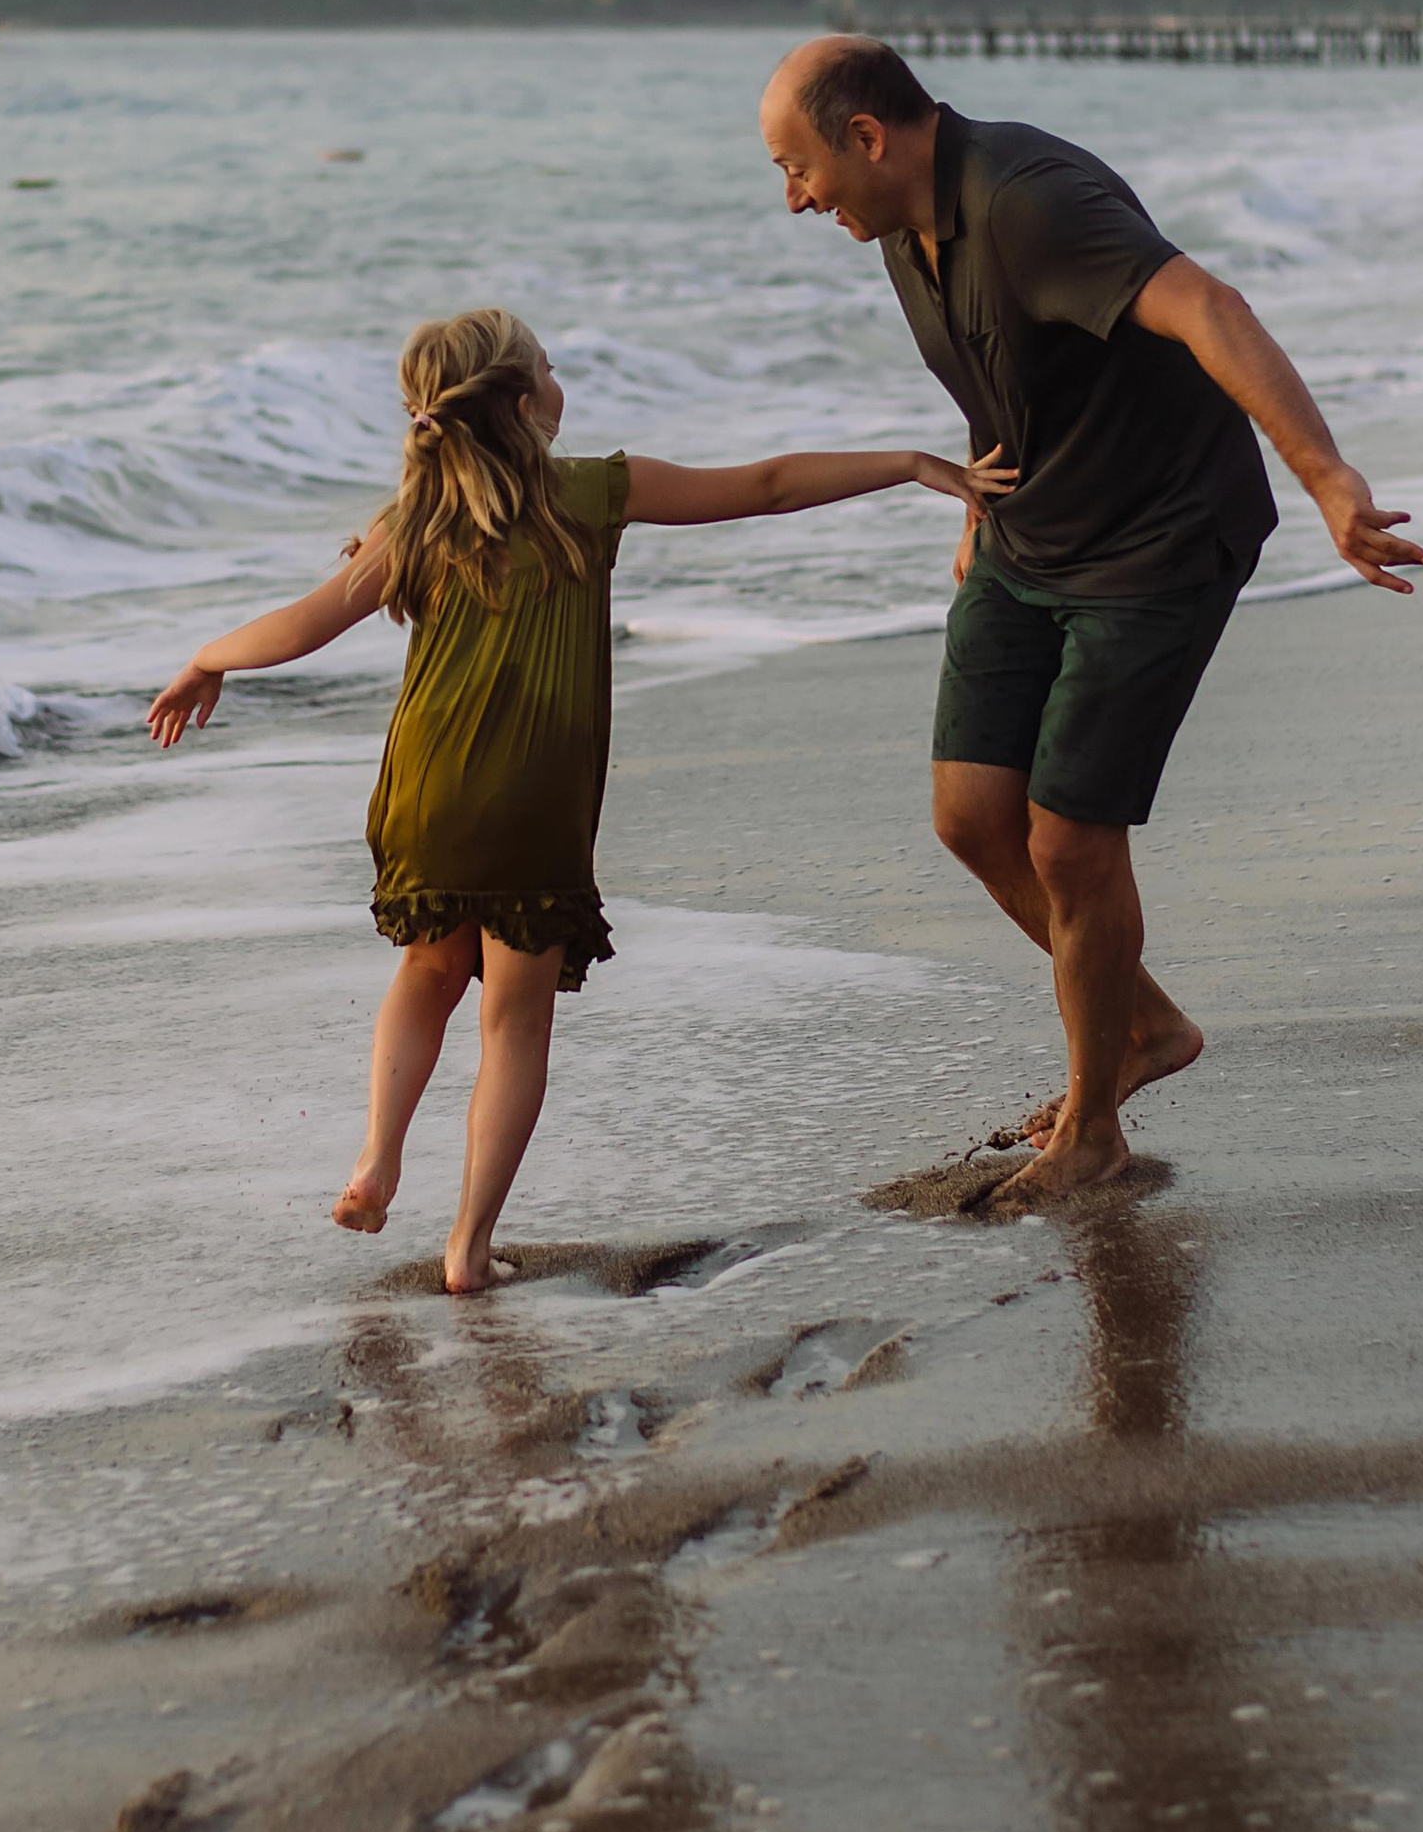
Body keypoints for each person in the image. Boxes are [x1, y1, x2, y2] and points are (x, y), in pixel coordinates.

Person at [147, 302, 1014, 1294]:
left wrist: (204, 659)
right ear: (524, 402)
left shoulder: (410, 523)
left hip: (424, 790)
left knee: (425, 976)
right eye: (550, 367)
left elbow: (300, 627)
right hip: (532, 802)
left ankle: (376, 1159)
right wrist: (909, 461)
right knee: (512, 1021)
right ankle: (468, 1246)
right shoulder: (594, 492)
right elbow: (767, 487)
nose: (563, 382)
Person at [757, 36, 1423, 1204]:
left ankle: (1093, 1133)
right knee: (973, 817)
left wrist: (1326, 477)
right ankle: (1142, 1031)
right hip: (1029, 534)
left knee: (1069, 839)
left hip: (1157, 541)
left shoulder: (1027, 201)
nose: (793, 195)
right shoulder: (905, 229)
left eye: (797, 165)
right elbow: (1015, 356)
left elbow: (1207, 304)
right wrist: (985, 473)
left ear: (865, 136)